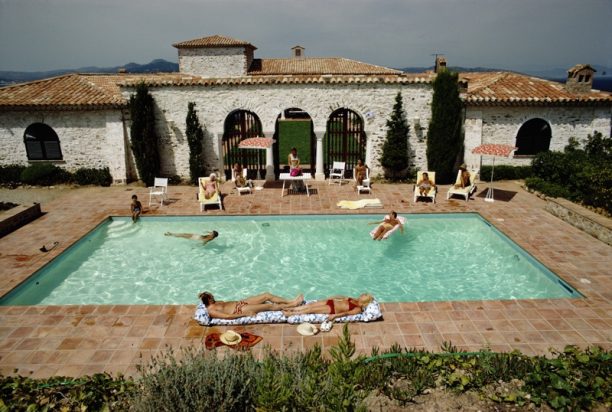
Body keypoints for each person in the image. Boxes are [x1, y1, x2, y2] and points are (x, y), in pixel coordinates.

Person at [199, 291, 304, 319]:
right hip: (240, 310)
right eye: (211, 297)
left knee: (266, 295)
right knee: (268, 306)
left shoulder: (216, 302)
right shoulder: (211, 311)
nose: (213, 297)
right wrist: (245, 314)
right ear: (208, 299)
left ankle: (290, 301)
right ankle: (293, 305)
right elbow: (227, 316)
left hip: (240, 303)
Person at [282, 293, 374, 321]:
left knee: (310, 310)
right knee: (309, 305)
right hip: (330, 302)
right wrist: (332, 297)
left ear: (364, 302)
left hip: (332, 309)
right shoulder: (355, 299)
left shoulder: (358, 309)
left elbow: (346, 313)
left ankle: (290, 314)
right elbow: (343, 297)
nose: (362, 294)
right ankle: (292, 308)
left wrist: (335, 316)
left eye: (364, 295)